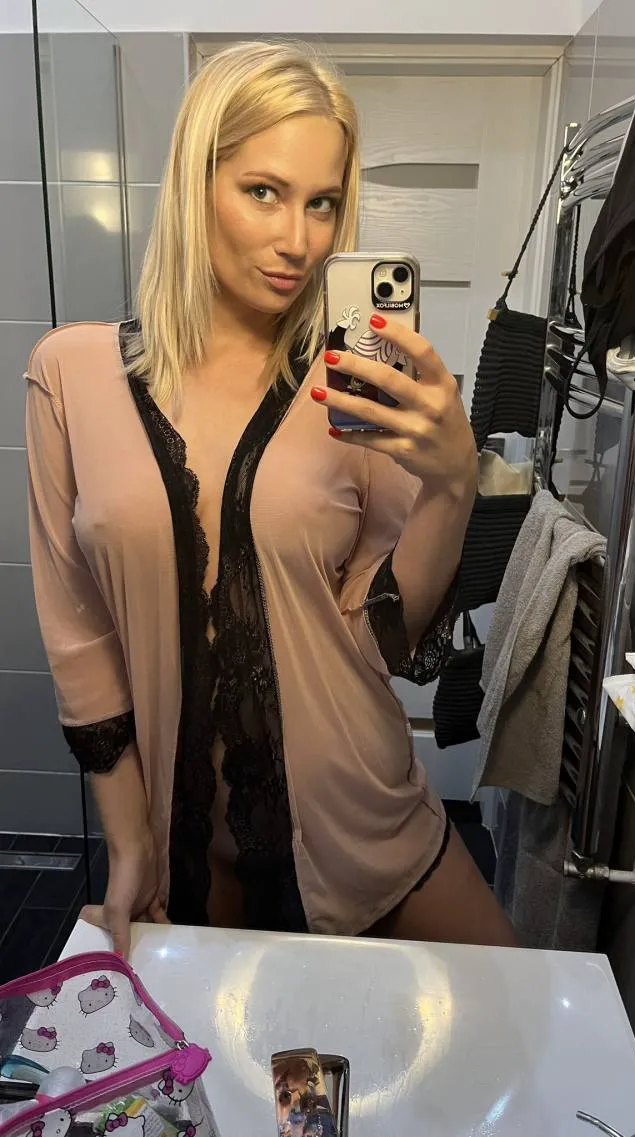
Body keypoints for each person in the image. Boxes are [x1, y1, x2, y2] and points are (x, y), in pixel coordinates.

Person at [25, 40, 516, 956]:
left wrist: (453, 484)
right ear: (194, 182)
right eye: (263, 191)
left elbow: (384, 637)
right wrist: (127, 844)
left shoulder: (350, 385)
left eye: (322, 202)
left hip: (365, 825)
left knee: (519, 1026)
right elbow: (79, 634)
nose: (301, 239)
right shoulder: (69, 374)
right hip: (175, 849)